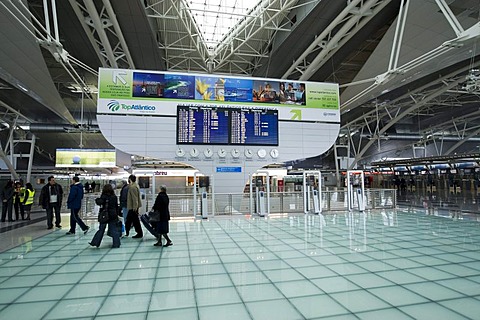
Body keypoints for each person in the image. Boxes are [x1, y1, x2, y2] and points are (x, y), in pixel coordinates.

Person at [89, 184, 121, 248]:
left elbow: (99, 202)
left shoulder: (104, 196)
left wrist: (97, 199)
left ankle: (95, 242)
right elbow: (116, 206)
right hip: (113, 214)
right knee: (114, 229)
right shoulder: (114, 197)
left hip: (104, 215)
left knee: (101, 229)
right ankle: (116, 243)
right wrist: (117, 214)